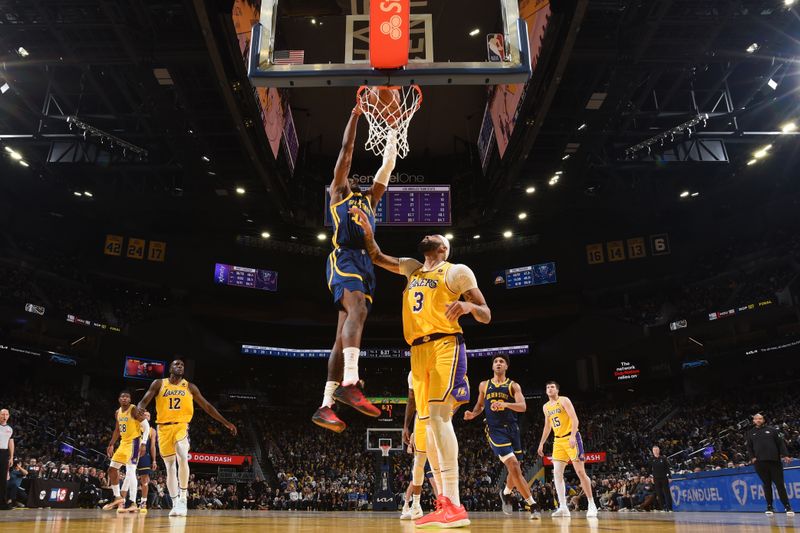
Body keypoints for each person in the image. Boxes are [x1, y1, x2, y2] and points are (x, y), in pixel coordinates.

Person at [353, 207, 491, 528]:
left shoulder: (456, 271)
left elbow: (485, 313)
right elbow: (376, 256)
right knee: (429, 426)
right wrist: (366, 227)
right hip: (417, 351)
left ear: (443, 248)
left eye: (436, 236)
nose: (428, 235)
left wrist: (469, 305)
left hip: (445, 343)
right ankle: (445, 503)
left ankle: (454, 504)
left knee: (441, 418)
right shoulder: (413, 270)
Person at [312, 104, 398, 433]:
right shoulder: (339, 194)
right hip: (345, 256)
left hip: (365, 263)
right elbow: (346, 151)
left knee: (341, 335)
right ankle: (350, 381)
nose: (360, 180)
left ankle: (326, 405)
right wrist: (356, 115)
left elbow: (387, 166)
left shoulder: (371, 201)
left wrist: (393, 131)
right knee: (357, 309)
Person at [137, 359, 237, 517]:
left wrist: (226, 422)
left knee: (182, 455)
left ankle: (183, 497)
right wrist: (140, 410)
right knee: (170, 467)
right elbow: (143, 402)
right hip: (163, 428)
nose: (180, 367)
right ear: (170, 368)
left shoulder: (190, 387)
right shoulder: (158, 383)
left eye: (182, 365)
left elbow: (207, 407)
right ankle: (175, 502)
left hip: (181, 426)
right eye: (177, 364)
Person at [463, 355, 540, 519]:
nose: (498, 363)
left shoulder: (513, 386)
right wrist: (473, 414)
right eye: (496, 362)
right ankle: (532, 504)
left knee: (515, 467)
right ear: (492, 366)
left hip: (512, 429)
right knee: (513, 465)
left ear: (506, 367)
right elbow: (480, 405)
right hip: (495, 430)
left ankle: (505, 492)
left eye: (501, 362)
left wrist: (505, 404)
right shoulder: (484, 385)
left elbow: (522, 406)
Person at [537, 381, 598, 517]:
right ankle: (563, 507)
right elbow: (548, 426)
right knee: (557, 474)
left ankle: (591, 504)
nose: (549, 389)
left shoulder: (564, 400)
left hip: (571, 437)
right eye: (547, 387)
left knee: (580, 472)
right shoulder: (546, 406)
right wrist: (541, 443)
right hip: (558, 441)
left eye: (552, 387)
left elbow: (575, 419)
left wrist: (572, 436)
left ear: (557, 390)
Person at [400, 370, 439, 520]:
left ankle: (440, 505)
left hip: (435, 427)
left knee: (433, 479)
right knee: (416, 479)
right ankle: (408, 506)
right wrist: (411, 444)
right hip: (422, 448)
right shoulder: (418, 422)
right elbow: (410, 448)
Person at [102, 390, 148, 513]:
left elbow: (146, 426)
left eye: (127, 397)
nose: (124, 398)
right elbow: (117, 430)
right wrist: (111, 444)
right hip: (123, 443)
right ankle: (118, 497)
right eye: (122, 396)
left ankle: (132, 502)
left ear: (130, 399)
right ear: (119, 399)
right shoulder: (118, 412)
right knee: (112, 469)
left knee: (130, 471)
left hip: (134, 442)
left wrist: (143, 443)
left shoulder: (134, 409)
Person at [746, 412, 794, 516]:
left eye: (760, 418)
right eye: (756, 419)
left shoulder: (772, 430)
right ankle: (769, 507)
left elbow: (780, 443)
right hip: (760, 463)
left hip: (774, 462)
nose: (758, 420)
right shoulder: (750, 433)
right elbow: (749, 447)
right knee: (766, 485)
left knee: (780, 485)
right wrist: (752, 458)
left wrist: (785, 455)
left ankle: (787, 507)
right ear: (753, 421)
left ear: (763, 420)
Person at [136, 410, 158, 513]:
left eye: (148, 415)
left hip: (145, 455)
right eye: (145, 415)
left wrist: (154, 460)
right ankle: (126, 501)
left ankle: (143, 502)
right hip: (132, 453)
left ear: (150, 418)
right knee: (129, 476)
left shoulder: (152, 431)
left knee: (144, 480)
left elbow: (153, 446)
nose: (146, 416)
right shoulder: (136, 425)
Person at [649, 446, 672, 512]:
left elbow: (667, 468)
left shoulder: (663, 458)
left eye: (657, 450)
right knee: (659, 493)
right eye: (654, 450)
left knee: (667, 492)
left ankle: (669, 508)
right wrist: (651, 477)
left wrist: (669, 477)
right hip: (656, 478)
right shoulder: (651, 459)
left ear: (659, 450)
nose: (656, 451)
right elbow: (649, 470)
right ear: (652, 451)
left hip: (664, 477)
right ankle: (663, 508)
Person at [0, 409, 12, 511]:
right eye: (2, 414)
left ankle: (2, 503)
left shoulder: (10, 428)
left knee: (3, 479)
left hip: (4, 453)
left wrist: (11, 456)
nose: (4, 416)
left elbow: (11, 443)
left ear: (8, 416)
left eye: (6, 414)